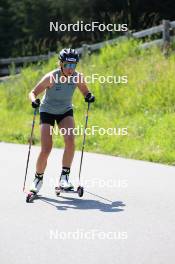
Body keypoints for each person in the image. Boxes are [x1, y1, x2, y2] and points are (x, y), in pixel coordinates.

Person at [28, 48, 95, 194]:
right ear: (61, 64)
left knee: (70, 141)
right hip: (47, 112)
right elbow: (32, 92)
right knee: (47, 148)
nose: (70, 69)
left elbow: (85, 91)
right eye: (67, 65)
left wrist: (89, 96)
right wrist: (34, 101)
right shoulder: (51, 77)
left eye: (73, 65)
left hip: (65, 111)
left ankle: (64, 178)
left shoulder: (77, 77)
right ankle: (37, 179)